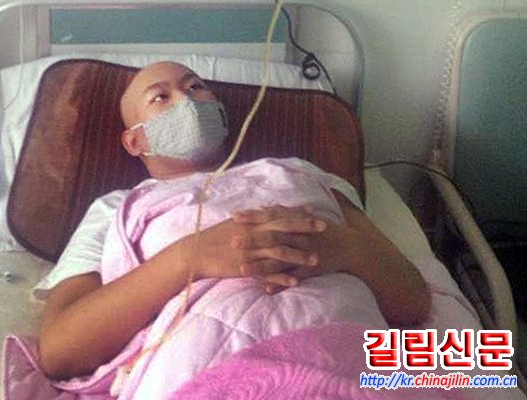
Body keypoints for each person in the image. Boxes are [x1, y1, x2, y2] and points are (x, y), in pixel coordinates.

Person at [36, 61, 431, 384]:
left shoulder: (302, 173)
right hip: (203, 370)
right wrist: (189, 258)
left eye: (195, 87)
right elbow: (58, 352)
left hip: (343, 353)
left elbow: (412, 300)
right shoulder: (116, 209)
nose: (186, 100)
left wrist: (343, 248)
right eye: (161, 97)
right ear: (135, 141)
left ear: (222, 113)